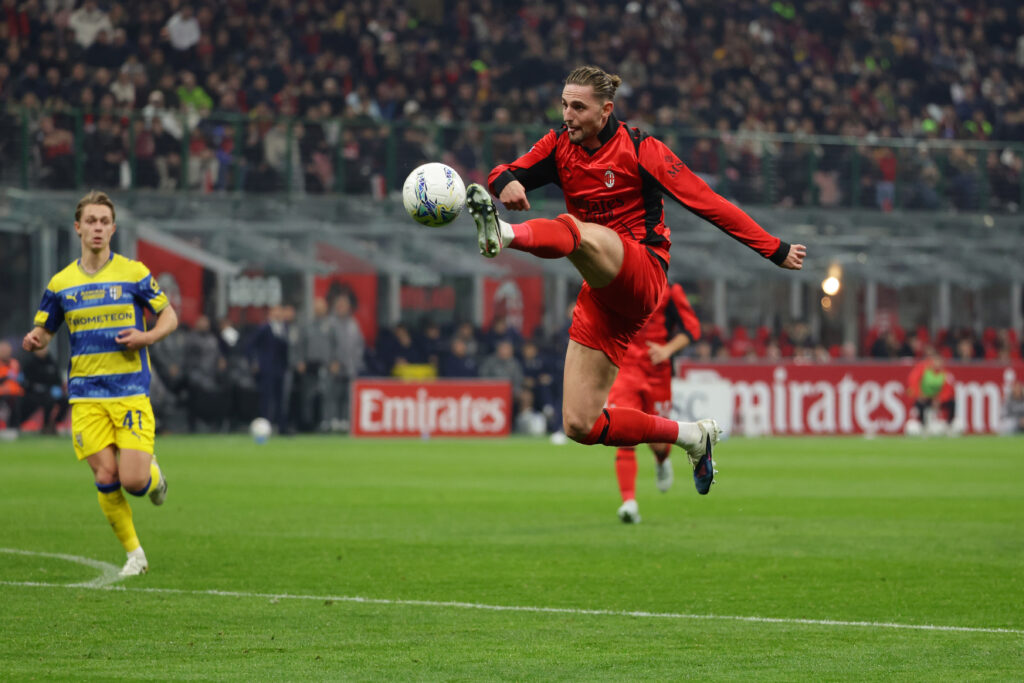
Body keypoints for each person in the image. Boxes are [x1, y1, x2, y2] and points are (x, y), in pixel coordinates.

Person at [465, 65, 805, 495]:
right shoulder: (557, 145)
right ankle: (691, 436)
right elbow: (501, 171)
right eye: (564, 104)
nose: (567, 114)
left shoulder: (642, 149)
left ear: (606, 111)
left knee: (575, 229)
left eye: (578, 107)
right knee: (580, 423)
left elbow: (708, 202)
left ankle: (505, 235)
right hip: (602, 292)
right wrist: (507, 182)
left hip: (644, 271)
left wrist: (772, 248)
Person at [21, 191, 178, 577]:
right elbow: (45, 330)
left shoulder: (134, 273)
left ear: (113, 228)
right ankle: (135, 556)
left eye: (104, 221)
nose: (97, 228)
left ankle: (155, 480)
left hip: (130, 393)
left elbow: (169, 315)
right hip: (86, 397)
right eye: (90, 221)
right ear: (78, 227)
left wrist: (146, 337)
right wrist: (36, 339)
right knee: (106, 476)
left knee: (135, 481)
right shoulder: (61, 283)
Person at [609, 283, 701, 523]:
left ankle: (661, 459)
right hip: (626, 369)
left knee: (658, 442)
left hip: (657, 373)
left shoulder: (670, 290)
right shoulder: (618, 282)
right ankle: (629, 502)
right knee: (623, 433)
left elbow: (692, 329)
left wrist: (667, 349)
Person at [905, 348, 956, 435]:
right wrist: (920, 394)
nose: (937, 363)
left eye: (939, 361)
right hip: (925, 397)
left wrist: (940, 399)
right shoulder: (923, 369)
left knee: (952, 403)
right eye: (935, 360)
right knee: (919, 404)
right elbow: (912, 382)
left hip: (937, 399)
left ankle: (949, 426)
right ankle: (923, 426)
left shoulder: (946, 374)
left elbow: (949, 390)